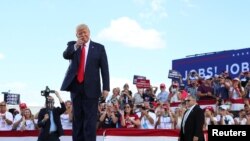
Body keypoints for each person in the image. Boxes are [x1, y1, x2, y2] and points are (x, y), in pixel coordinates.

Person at [60, 23, 110, 141]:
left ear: (89, 32)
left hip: (92, 89)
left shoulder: (99, 48)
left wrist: (106, 87)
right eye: (80, 33)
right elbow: (65, 55)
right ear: (76, 35)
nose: (83, 35)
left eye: (84, 32)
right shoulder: (73, 45)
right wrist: (76, 45)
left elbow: (105, 69)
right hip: (76, 87)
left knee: (90, 120)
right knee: (78, 119)